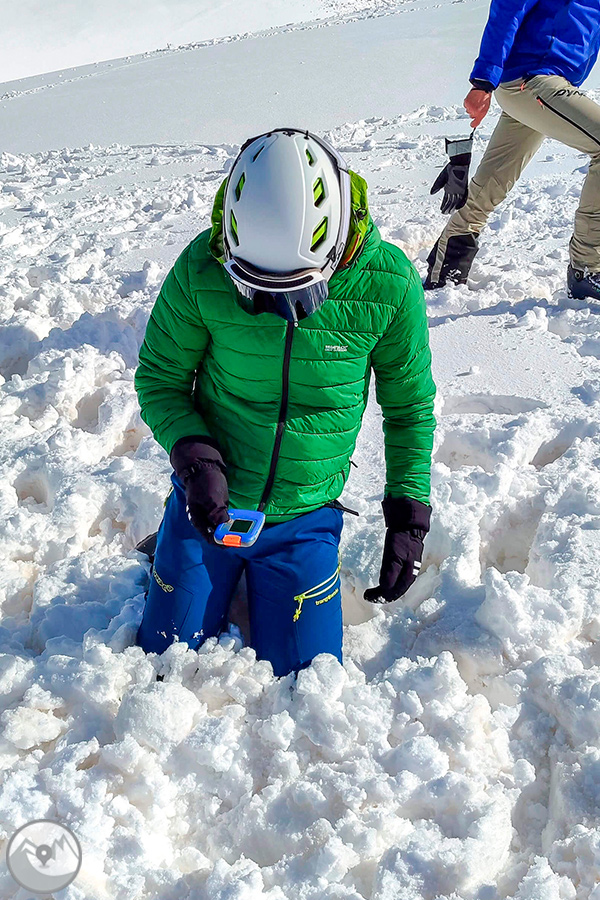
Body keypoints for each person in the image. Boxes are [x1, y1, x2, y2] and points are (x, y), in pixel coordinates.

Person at [134, 127, 436, 677]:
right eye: (254, 291)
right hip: (208, 507)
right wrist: (196, 461)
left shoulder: (388, 284)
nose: (279, 308)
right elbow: (160, 378)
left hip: (304, 516)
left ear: (337, 247)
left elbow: (409, 408)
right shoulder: (201, 269)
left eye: (299, 291)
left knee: (305, 678)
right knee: (164, 658)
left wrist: (408, 517)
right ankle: (177, 539)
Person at [424, 0, 600, 300]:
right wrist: (483, 81)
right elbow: (506, 11)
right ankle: (586, 269)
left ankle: (447, 267)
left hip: (547, 81)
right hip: (532, 80)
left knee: (493, 181)